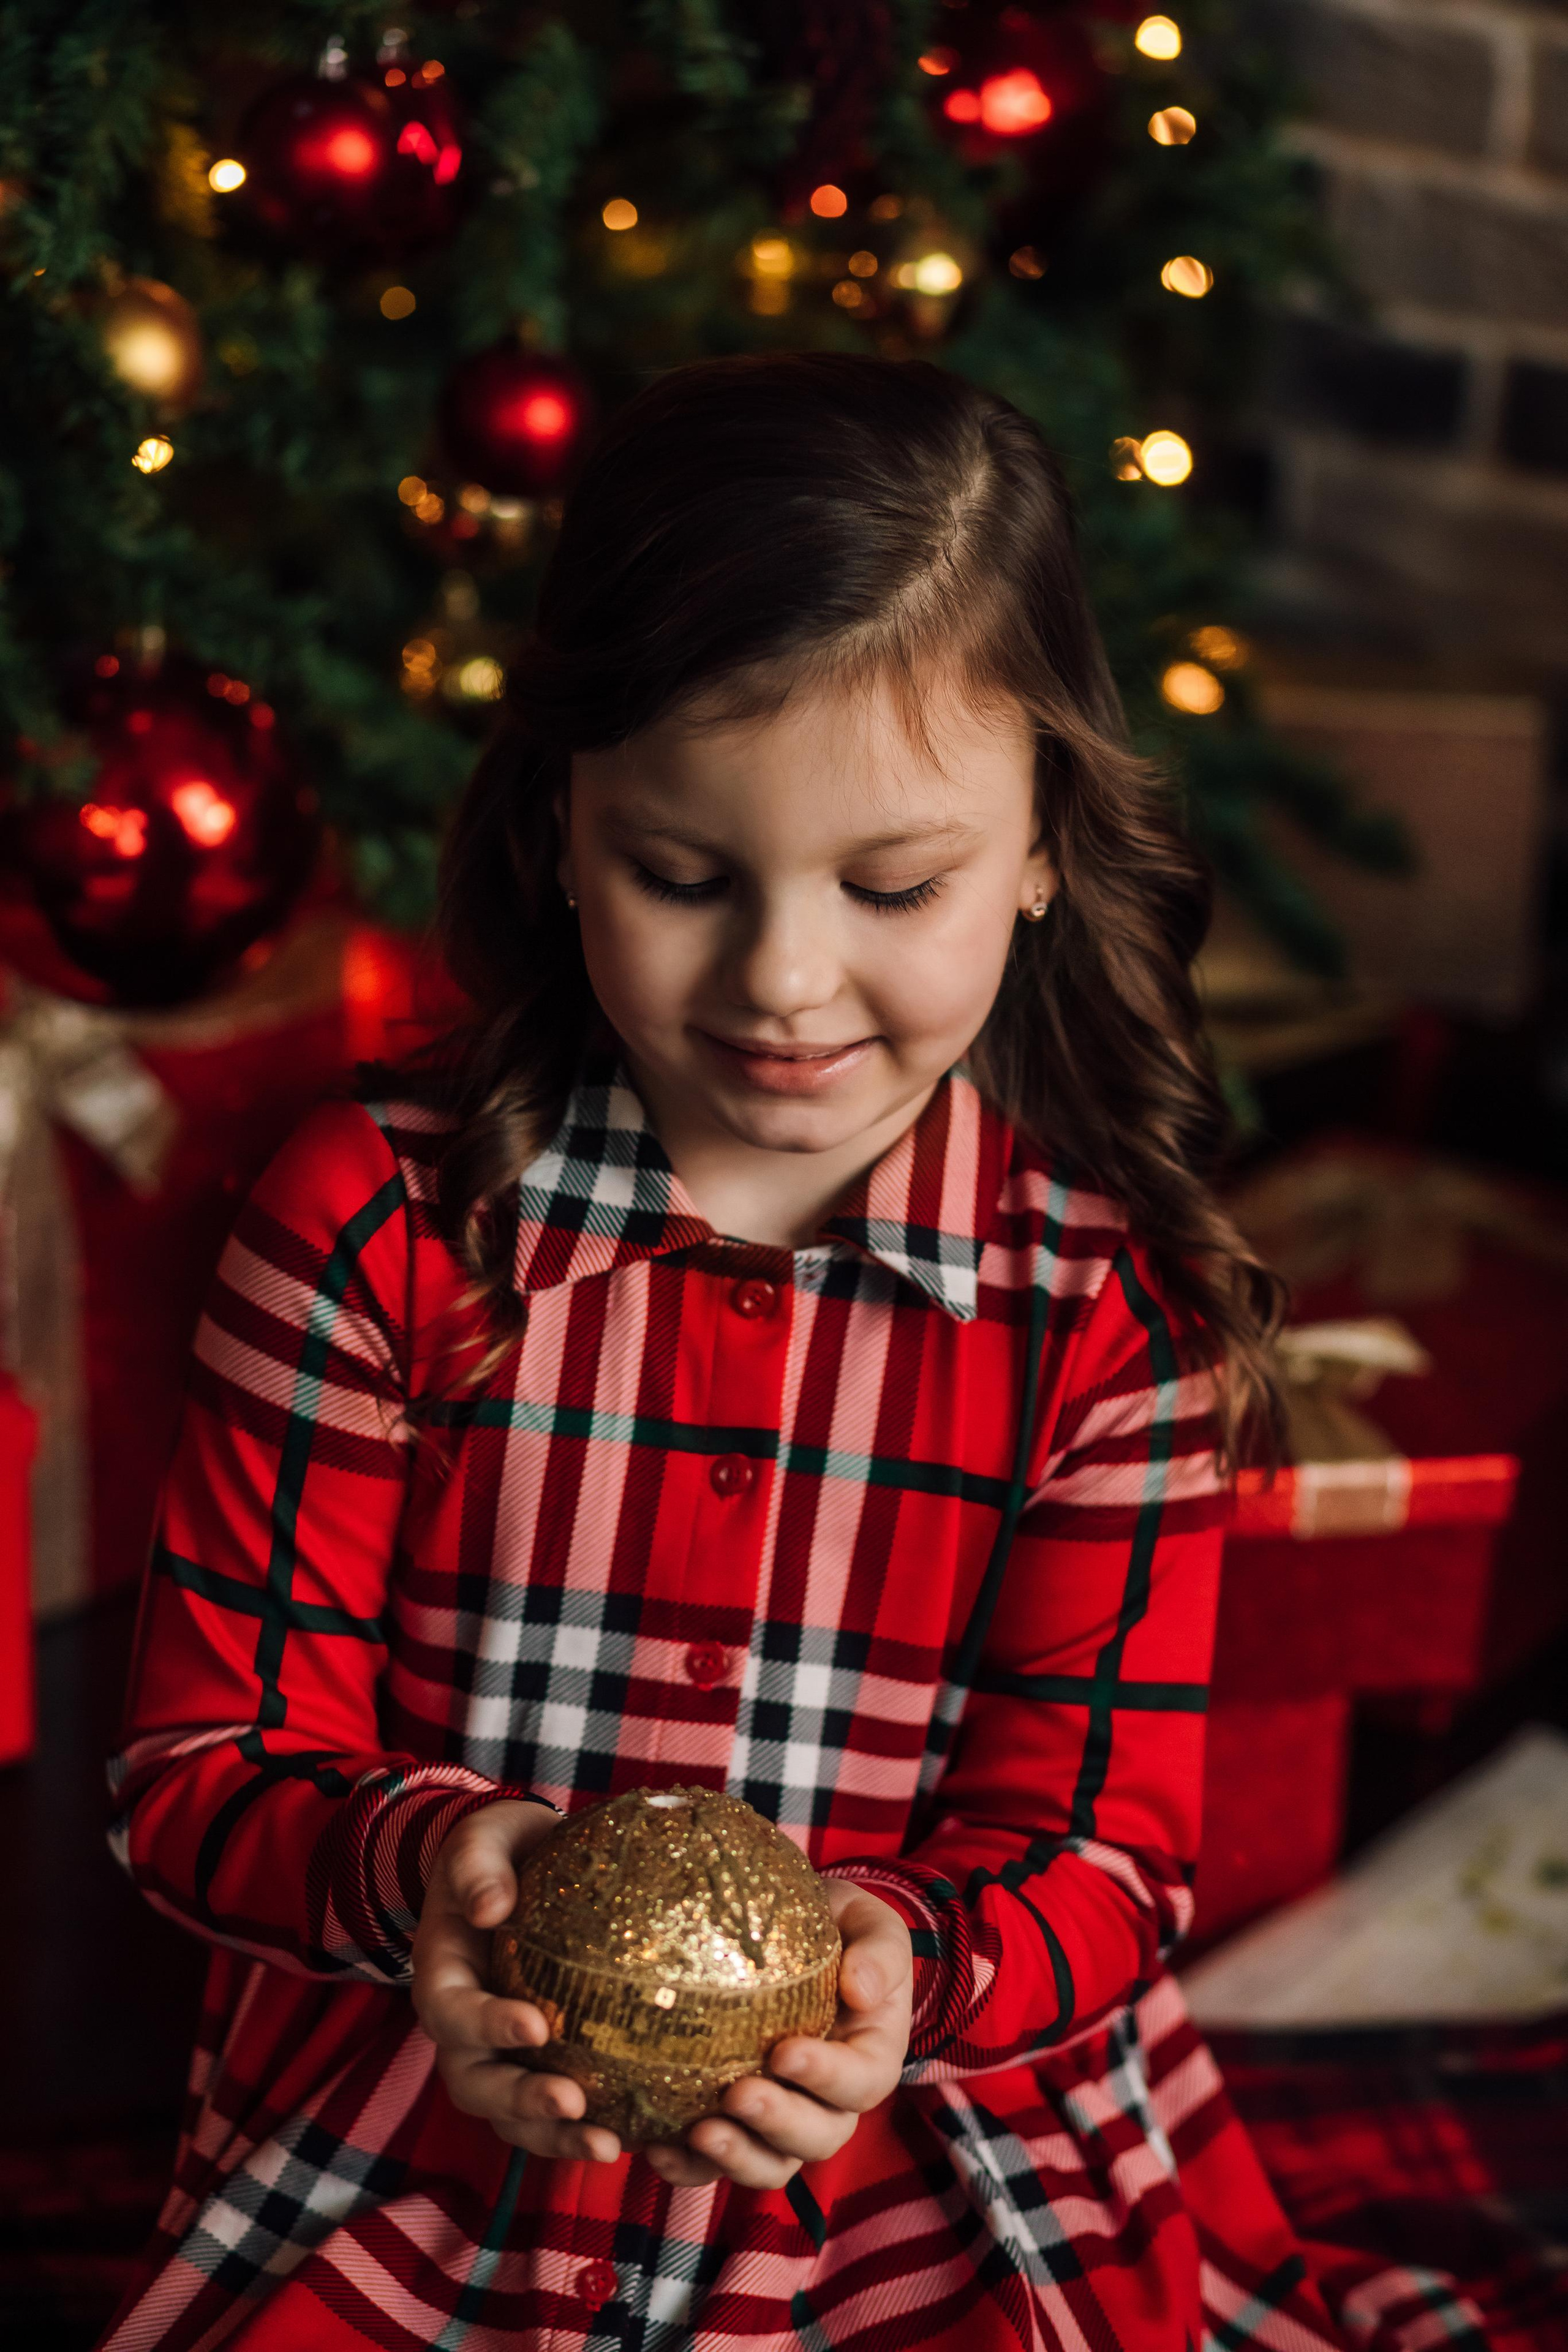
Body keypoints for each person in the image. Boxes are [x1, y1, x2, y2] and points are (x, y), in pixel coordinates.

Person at [103, 352, 1344, 2351]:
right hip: (418, 2149)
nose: (780, 980)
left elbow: (1106, 1859)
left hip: (916, 2166)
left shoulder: (1100, 1325)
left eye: (895, 884)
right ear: (564, 827)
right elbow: (194, 1778)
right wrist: (440, 1879)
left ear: (1039, 851)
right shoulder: (368, 1224)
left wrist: (896, 1981)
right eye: (685, 874)